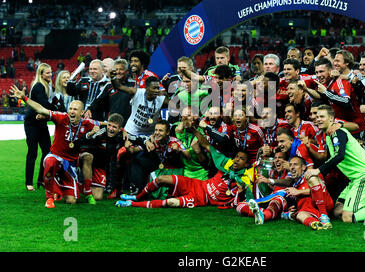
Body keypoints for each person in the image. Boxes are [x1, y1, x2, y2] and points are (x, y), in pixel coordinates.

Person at [303, 105, 365, 224]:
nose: (317, 119)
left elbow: (339, 156)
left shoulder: (338, 132)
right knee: (337, 210)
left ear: (331, 119)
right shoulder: (329, 136)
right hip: (355, 179)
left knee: (347, 217)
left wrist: (318, 171)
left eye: (321, 116)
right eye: (316, 116)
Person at [115, 126, 255, 209]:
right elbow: (207, 145)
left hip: (202, 198)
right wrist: (194, 130)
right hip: (198, 184)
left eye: (241, 159)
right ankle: (136, 197)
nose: (236, 160)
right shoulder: (227, 163)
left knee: (170, 202)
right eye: (236, 157)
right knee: (161, 179)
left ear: (247, 164)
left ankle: (130, 205)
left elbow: (245, 196)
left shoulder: (245, 178)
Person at [9, 85, 101, 208]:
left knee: (72, 201)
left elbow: (104, 123)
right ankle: (49, 198)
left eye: (75, 109)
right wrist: (24, 98)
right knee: (50, 161)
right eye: (71, 108)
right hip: (56, 157)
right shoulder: (62, 117)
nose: (72, 111)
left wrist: (121, 129)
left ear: (82, 112)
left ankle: (75, 188)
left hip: (71, 163)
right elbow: (41, 109)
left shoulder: (87, 123)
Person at [238, 156, 334, 230]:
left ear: (304, 167)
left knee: (281, 195)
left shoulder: (311, 174)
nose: (292, 167)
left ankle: (324, 217)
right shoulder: (294, 184)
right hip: (307, 209)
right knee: (240, 206)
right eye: (290, 165)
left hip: (323, 205)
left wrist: (299, 191)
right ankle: (316, 224)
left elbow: (320, 189)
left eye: (295, 164)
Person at [23, 63, 54, 191]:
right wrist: (57, 109)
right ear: (41, 74)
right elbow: (45, 104)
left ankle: (41, 179)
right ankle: (28, 182)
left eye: (51, 71)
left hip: (41, 123)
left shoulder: (47, 86)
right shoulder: (38, 86)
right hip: (32, 123)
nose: (50, 74)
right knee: (33, 153)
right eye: (47, 72)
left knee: (47, 151)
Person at [86, 58, 135, 124]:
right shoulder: (109, 86)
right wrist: (89, 109)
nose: (118, 72)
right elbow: (98, 101)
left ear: (127, 71)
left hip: (129, 124)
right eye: (116, 69)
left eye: (121, 69)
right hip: (112, 124)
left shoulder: (133, 85)